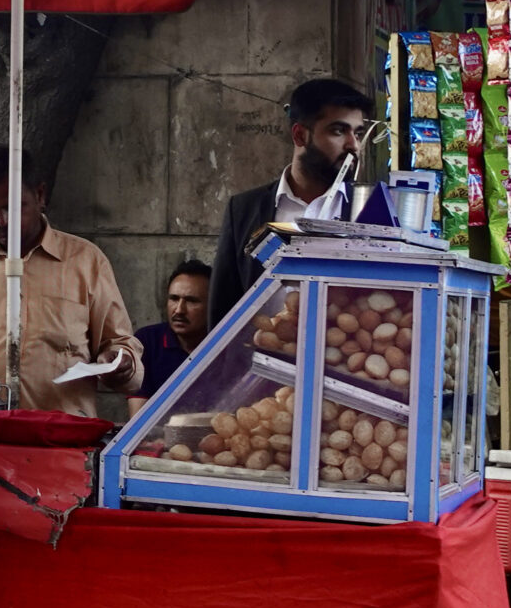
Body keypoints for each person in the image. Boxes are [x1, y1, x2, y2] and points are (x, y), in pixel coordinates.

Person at [0, 146, 141, 414]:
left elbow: (119, 344)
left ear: (40, 196)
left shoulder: (85, 261)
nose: (2, 221)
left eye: (13, 207)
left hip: (62, 439)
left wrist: (120, 363)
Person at [210, 78, 374, 318]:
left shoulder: (368, 209)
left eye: (357, 133)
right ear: (299, 135)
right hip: (261, 351)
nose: (353, 146)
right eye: (338, 131)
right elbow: (223, 308)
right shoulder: (244, 209)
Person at [131, 258, 213, 413]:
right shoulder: (147, 341)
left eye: (192, 301)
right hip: (159, 435)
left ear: (212, 304)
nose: (179, 310)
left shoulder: (227, 343)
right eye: (174, 299)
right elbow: (138, 418)